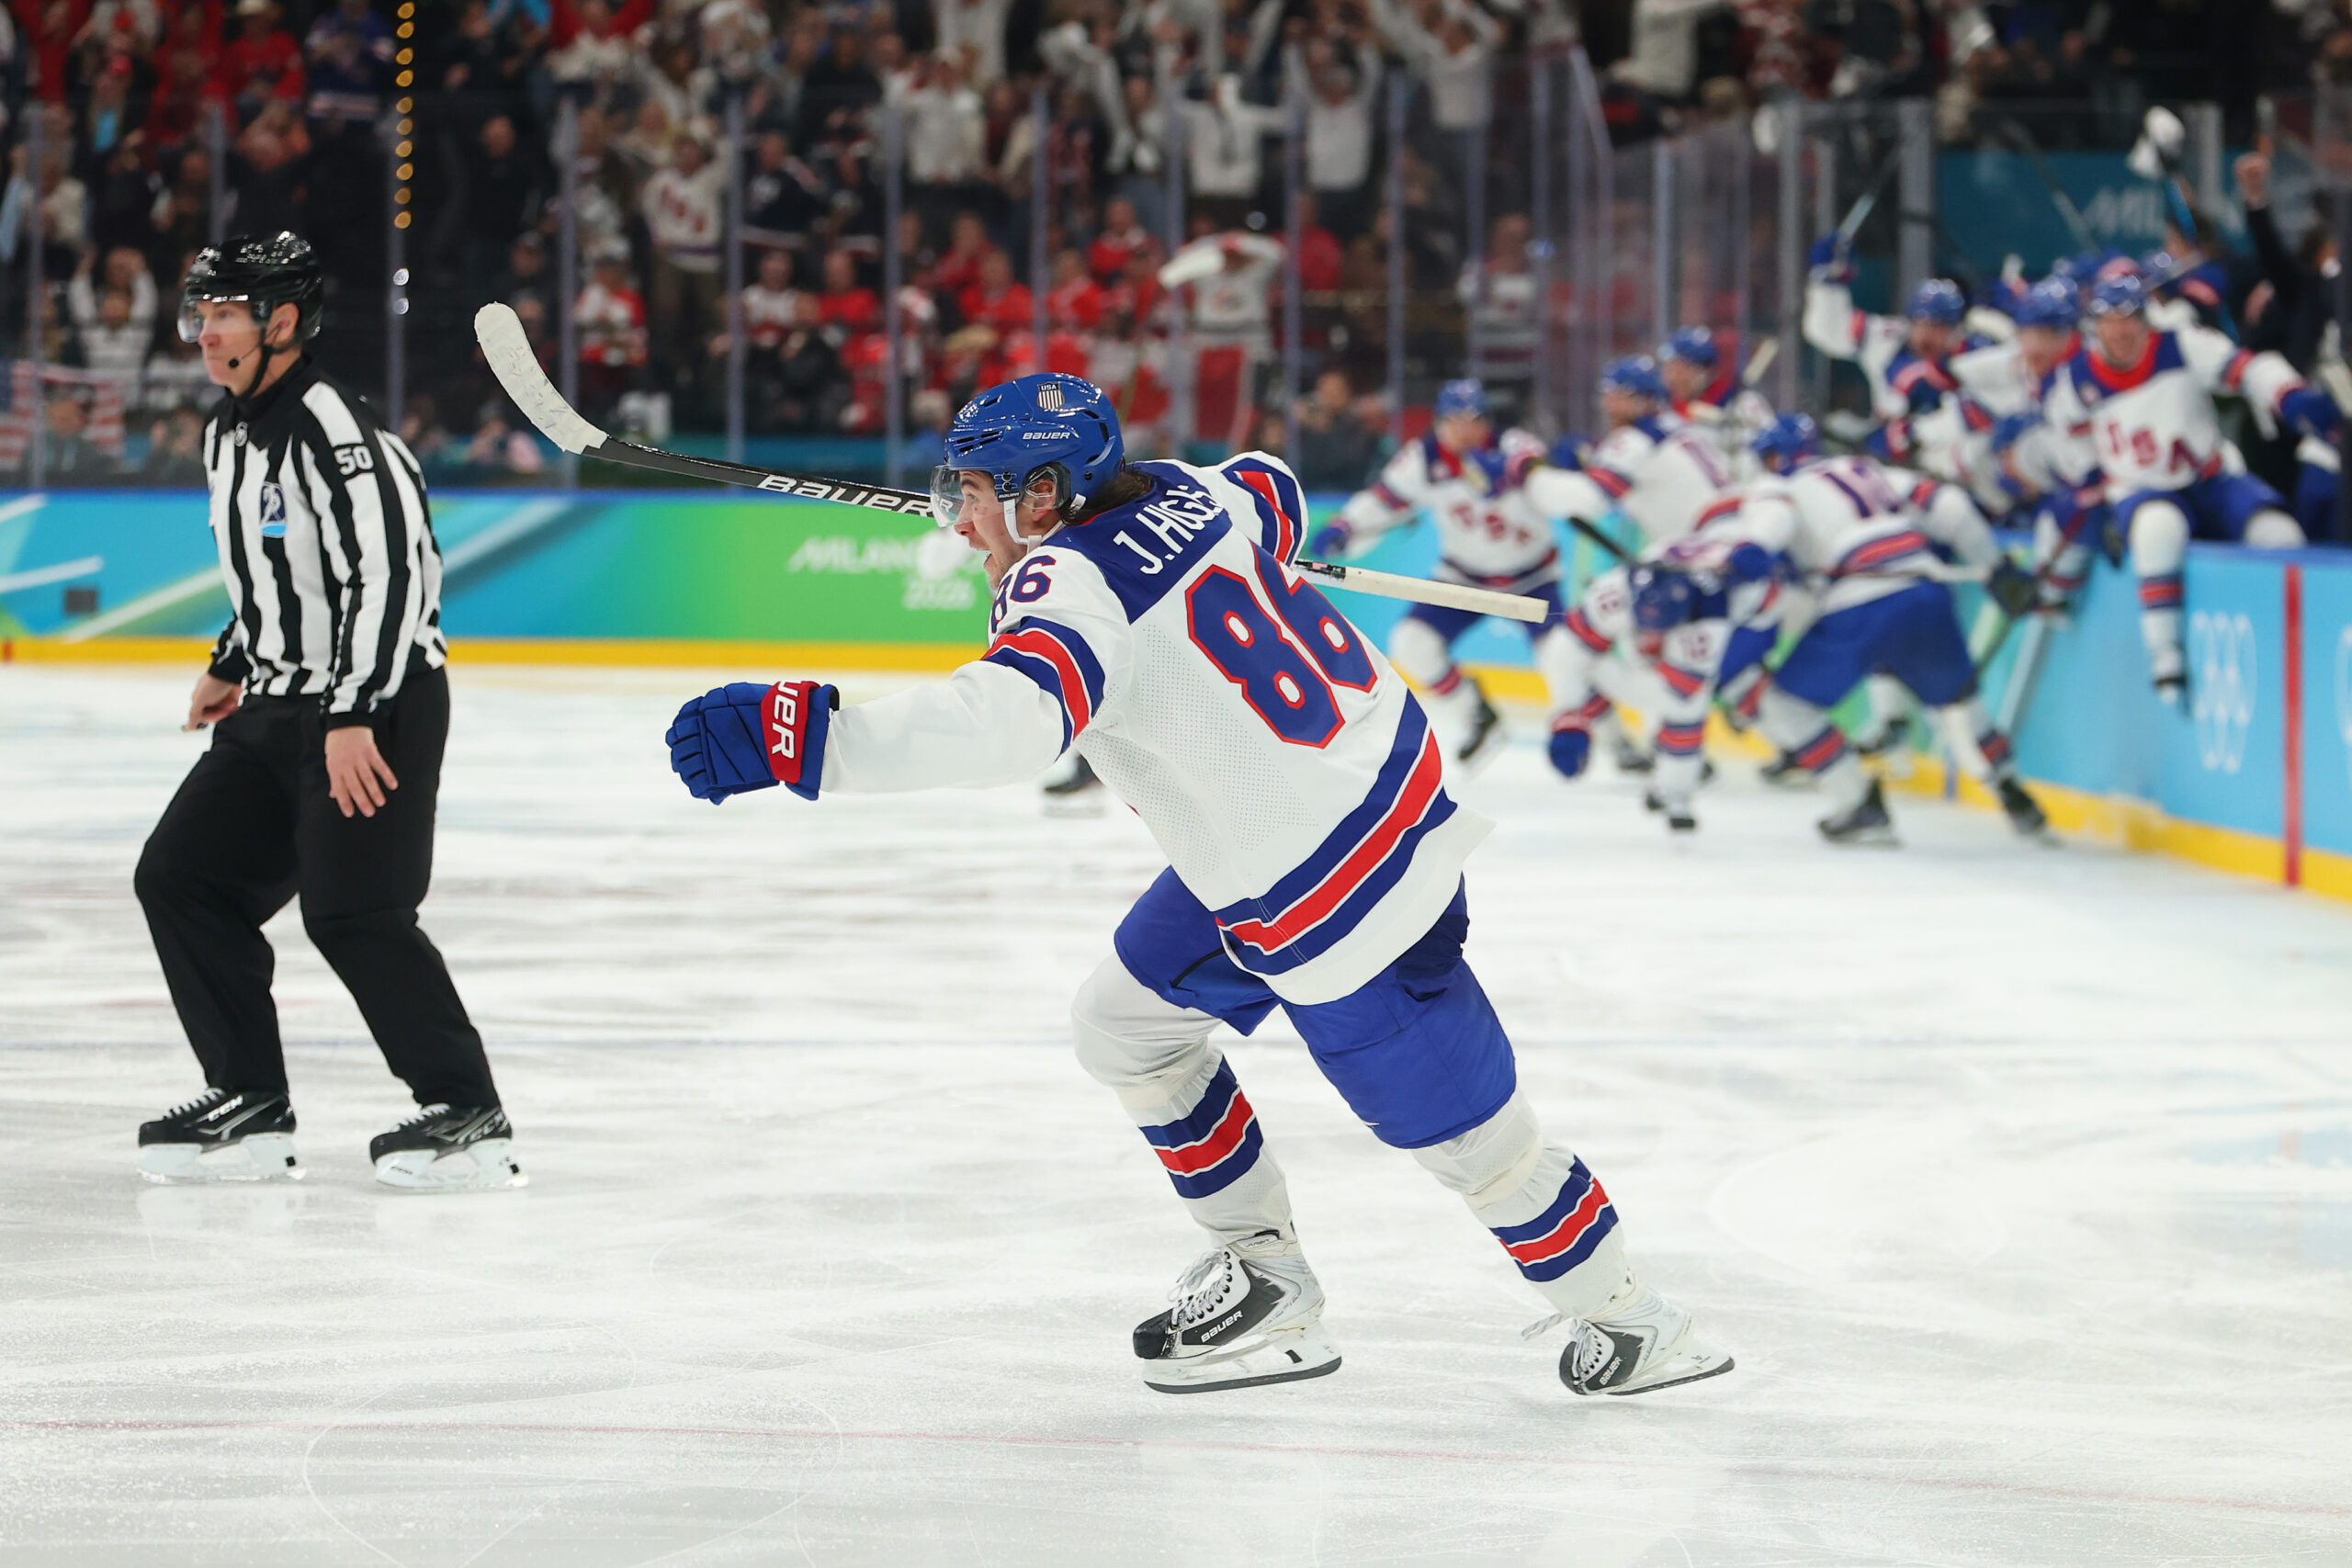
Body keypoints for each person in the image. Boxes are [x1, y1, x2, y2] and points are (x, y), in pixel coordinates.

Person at [661, 372, 1732, 1399]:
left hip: (1334, 894)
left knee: (1475, 1146)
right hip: (1338, 815)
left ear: (1045, 493)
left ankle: (1635, 1324)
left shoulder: (1067, 585)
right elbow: (1274, 486)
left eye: (976, 494)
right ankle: (1266, 1277)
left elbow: (1011, 720)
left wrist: (811, 738)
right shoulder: (1192, 490)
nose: (959, 522)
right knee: (1122, 1028)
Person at [130, 233, 518, 1192]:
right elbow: (277, 570)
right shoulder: (228, 431)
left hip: (373, 705)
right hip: (275, 705)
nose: (206, 333)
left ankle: (468, 1111)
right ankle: (249, 1099)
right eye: (202, 314)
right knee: (181, 878)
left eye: (225, 315)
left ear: (283, 323)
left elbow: (392, 577)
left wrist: (350, 715)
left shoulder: (333, 430)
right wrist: (231, 660)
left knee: (355, 912)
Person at [1732, 415, 2049, 844]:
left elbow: (1770, 529)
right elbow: (1950, 506)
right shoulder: (1865, 469)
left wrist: (1750, 551)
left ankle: (1857, 802)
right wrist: (1995, 567)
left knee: (1784, 705)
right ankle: (2012, 790)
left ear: (1773, 458)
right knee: (1960, 702)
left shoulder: (1776, 488)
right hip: (1924, 588)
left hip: (1861, 599)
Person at [2039, 275, 2334, 701]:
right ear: (2095, 326)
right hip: (2141, 490)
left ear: (2145, 319)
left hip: (2210, 477)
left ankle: (2301, 643)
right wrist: (2089, 477)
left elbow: (2250, 367)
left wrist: (2289, 394)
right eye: (2109, 321)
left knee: (2280, 534)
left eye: (2129, 318)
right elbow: (2064, 434)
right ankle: (2165, 654)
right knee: (2158, 529)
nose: (2120, 331)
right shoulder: (2076, 378)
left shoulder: (2181, 345)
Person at [1313, 379, 1578, 773]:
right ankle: (1477, 715)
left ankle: (1610, 738)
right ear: (1439, 422)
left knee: (1564, 656)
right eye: (1455, 420)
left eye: (1474, 420)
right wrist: (1346, 525)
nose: (1466, 430)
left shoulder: (1514, 448)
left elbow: (1549, 485)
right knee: (1412, 642)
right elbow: (1383, 499)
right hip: (1464, 576)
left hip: (1532, 576)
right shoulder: (1422, 460)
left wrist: (1528, 476)